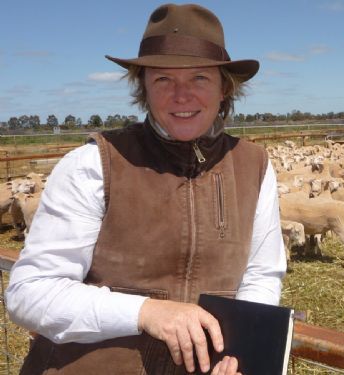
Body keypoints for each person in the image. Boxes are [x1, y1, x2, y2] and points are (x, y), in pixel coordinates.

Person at [5, 3, 287, 374]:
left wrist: (239, 353)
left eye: (200, 78)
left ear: (224, 88)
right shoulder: (94, 164)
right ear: (144, 90)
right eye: (163, 80)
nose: (181, 95)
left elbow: (261, 276)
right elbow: (31, 291)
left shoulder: (254, 167)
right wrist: (145, 312)